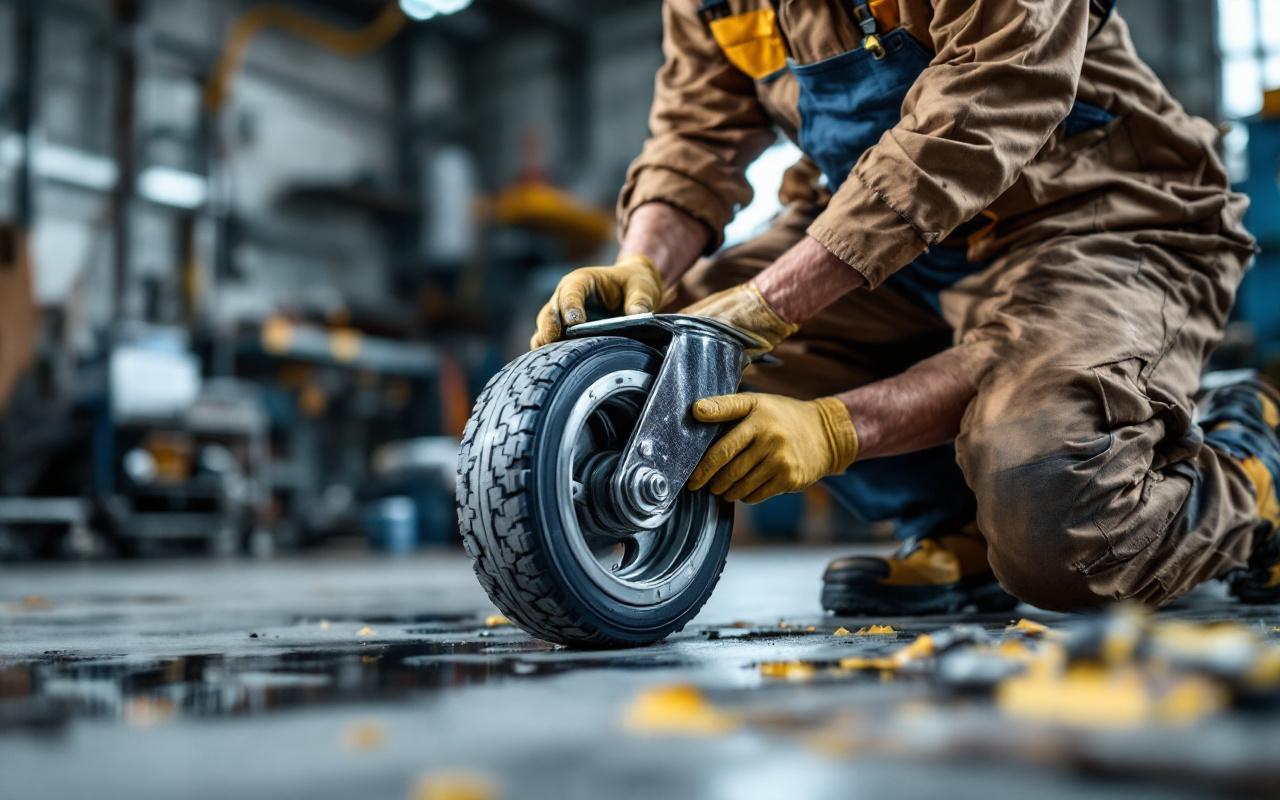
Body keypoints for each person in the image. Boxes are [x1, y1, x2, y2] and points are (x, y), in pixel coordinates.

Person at [530, 0, 1275, 616]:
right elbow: (695, 135)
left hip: (1096, 221)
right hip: (889, 242)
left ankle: (1251, 472)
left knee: (1066, 529)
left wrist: (830, 422)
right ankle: (963, 530)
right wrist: (641, 264)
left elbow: (980, 113)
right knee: (679, 345)